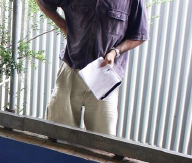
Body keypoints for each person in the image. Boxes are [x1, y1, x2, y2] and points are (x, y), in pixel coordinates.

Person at [37, 0, 149, 136]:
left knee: (102, 141)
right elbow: (43, 2)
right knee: (57, 134)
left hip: (104, 79)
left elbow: (139, 35)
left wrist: (115, 51)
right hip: (71, 72)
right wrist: (64, 26)